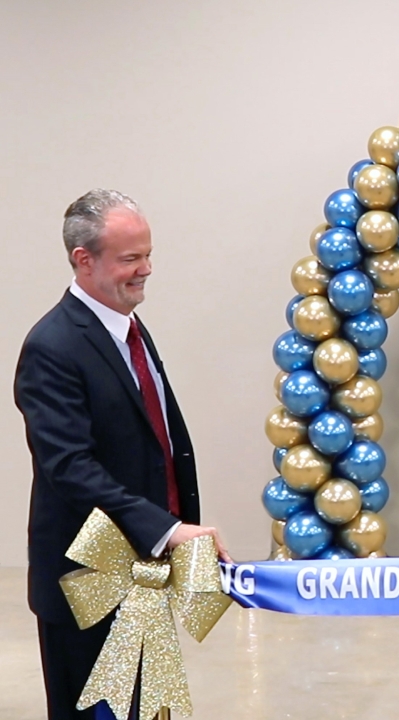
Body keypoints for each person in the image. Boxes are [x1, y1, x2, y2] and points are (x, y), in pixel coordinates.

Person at [15, 189, 229, 720]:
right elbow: (69, 466)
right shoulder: (52, 346)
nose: (147, 270)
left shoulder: (129, 327)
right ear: (82, 260)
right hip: (89, 586)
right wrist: (167, 529)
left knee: (150, 709)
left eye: (149, 254)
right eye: (131, 258)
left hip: (142, 576)